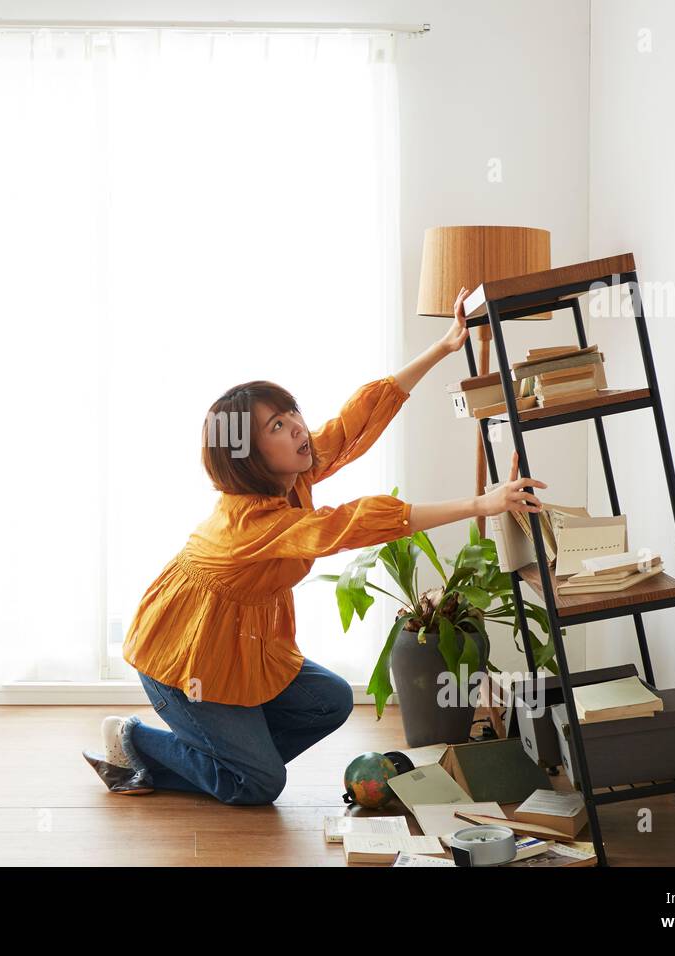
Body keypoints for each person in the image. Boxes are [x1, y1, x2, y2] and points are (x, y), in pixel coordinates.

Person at [82, 287, 547, 802]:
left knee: (329, 700)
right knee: (261, 784)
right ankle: (135, 740)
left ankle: (228, 760)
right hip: (182, 660)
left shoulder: (291, 474)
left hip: (240, 648)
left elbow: (354, 424)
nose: (299, 428)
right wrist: (481, 505)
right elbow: (352, 523)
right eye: (276, 426)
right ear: (247, 455)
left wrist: (444, 346)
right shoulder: (250, 526)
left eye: (291, 413)